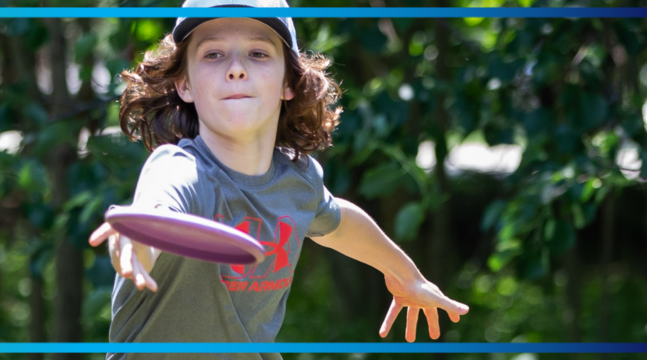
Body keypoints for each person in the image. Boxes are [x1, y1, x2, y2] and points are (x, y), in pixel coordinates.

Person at [87, 0, 469, 356]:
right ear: (183, 84)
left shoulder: (297, 180)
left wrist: (406, 275)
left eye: (258, 53)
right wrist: (136, 237)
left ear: (289, 82)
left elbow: (337, 221)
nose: (236, 68)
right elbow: (158, 209)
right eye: (213, 54)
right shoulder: (179, 169)